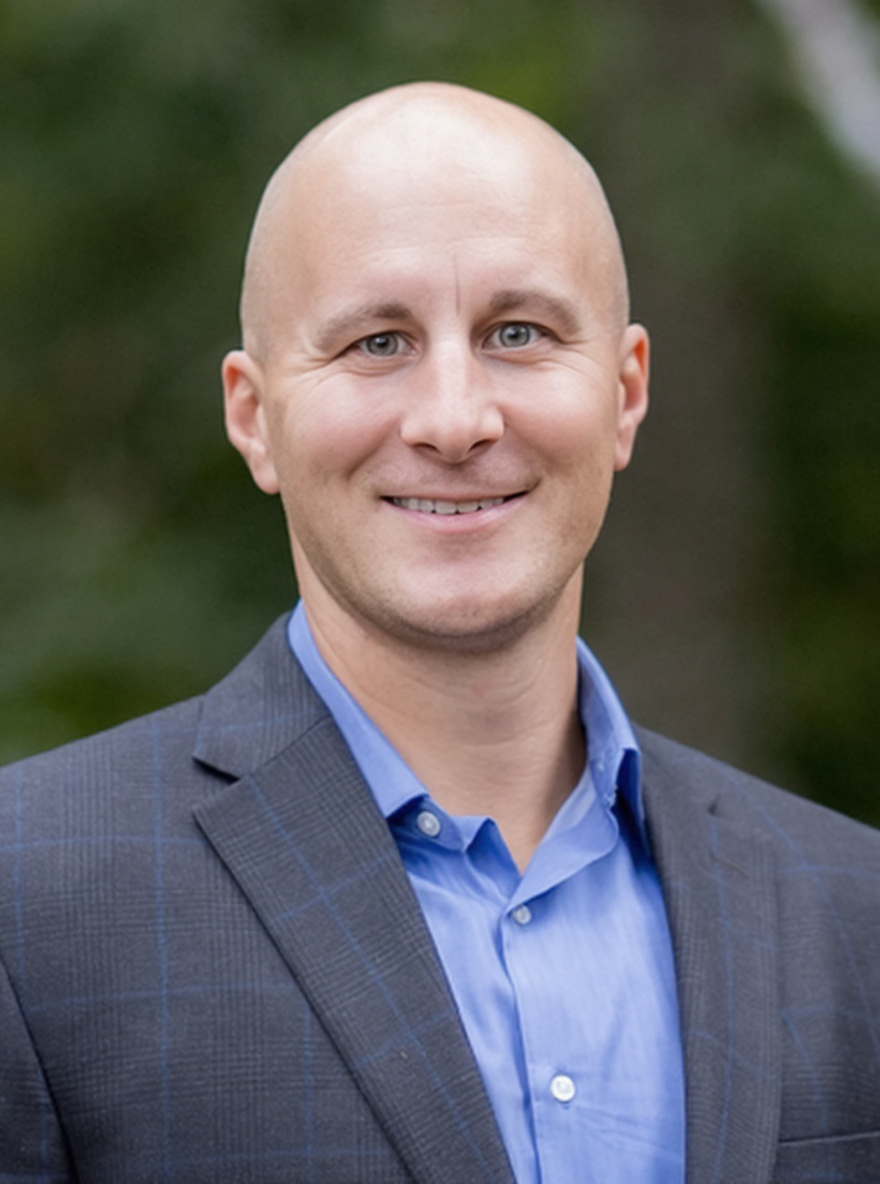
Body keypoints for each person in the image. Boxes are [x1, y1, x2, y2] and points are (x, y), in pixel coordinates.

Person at [1, 82, 878, 1184]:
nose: (455, 420)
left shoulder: (855, 913)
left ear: (624, 393)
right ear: (253, 417)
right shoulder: (26, 903)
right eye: (378, 342)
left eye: (518, 333)